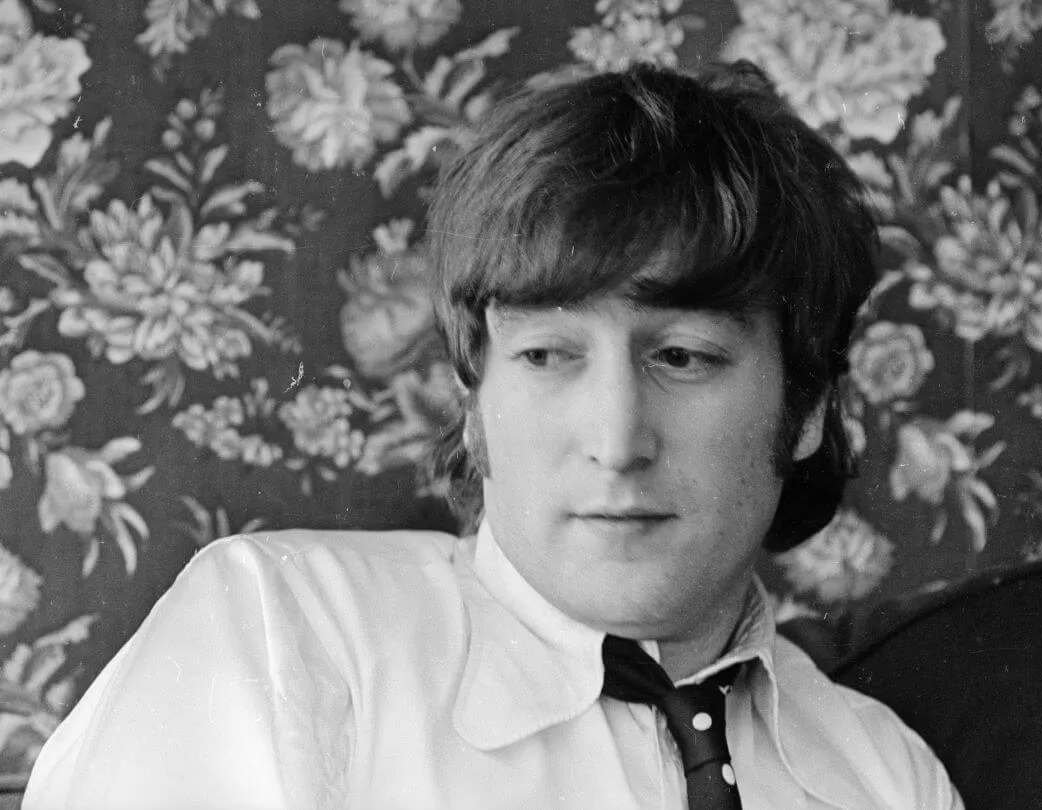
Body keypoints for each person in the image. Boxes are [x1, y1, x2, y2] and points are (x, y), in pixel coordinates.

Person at [23, 62, 963, 809]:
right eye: (549, 354)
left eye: (682, 356)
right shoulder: (282, 633)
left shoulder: (887, 776)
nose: (615, 440)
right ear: (475, 404)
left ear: (805, 409)